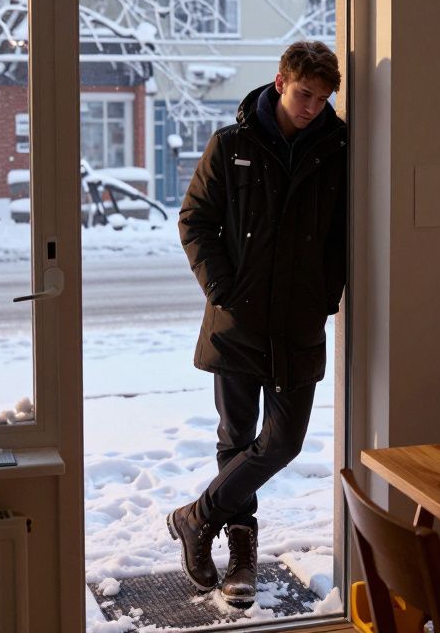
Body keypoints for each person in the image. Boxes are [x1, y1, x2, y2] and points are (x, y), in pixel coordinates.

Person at [168, 41, 347, 606]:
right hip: (238, 319)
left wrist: (328, 293)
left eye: (323, 98)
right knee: (236, 438)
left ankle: (196, 518)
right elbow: (195, 219)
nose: (312, 107)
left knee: (283, 442)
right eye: (304, 94)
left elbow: (344, 232)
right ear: (279, 82)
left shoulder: (338, 150)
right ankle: (240, 557)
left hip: (298, 321)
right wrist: (224, 289)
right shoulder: (232, 144)